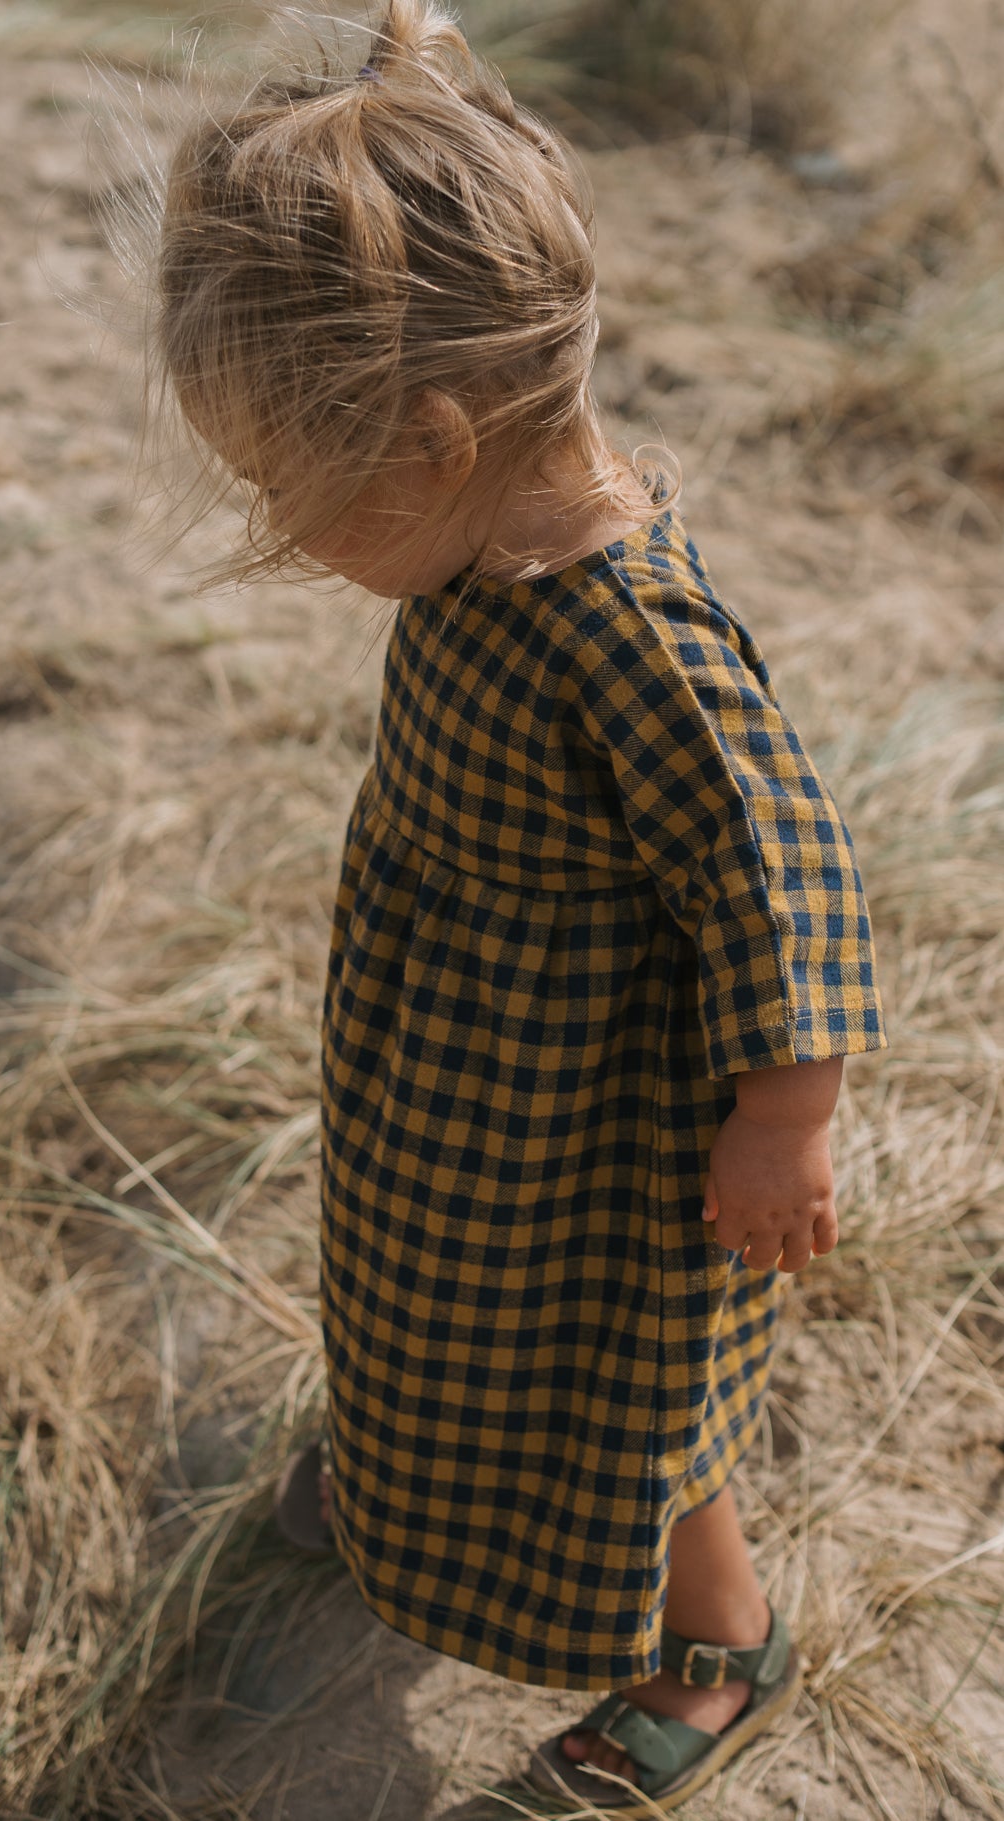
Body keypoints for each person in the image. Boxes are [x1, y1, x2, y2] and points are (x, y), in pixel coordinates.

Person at [151, 1, 889, 1810]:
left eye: (287, 488)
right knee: (411, 1290)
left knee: (615, 1393)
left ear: (428, 434)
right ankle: (410, 1473)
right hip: (454, 1058)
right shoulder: (482, 525)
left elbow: (776, 863)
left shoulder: (624, 623)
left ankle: (712, 1643)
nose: (282, 524)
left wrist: (783, 1116)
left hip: (593, 1129)